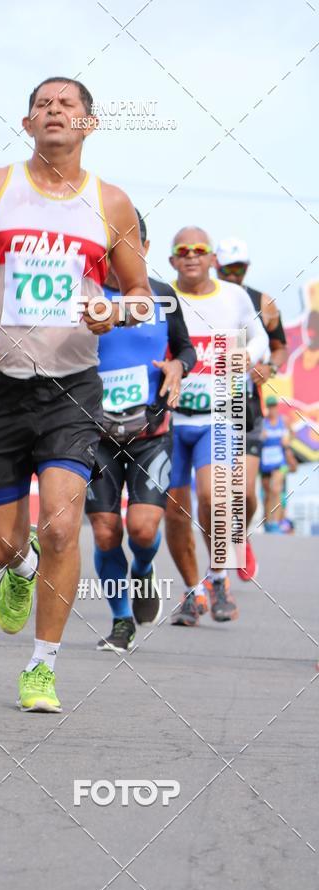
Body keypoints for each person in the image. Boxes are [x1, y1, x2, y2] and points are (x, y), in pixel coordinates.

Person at [0, 76, 151, 712]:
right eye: (43, 104)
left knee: (61, 524)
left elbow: (142, 295)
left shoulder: (113, 205)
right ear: (28, 125)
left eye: (68, 103)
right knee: (2, 545)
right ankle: (18, 576)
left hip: (70, 390)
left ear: (88, 124)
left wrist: (114, 310)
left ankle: (42, 667)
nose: (55, 110)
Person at [85, 210, 195, 651]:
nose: (118, 259)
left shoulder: (164, 296)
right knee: (106, 531)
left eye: (128, 249)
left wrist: (177, 365)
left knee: (144, 530)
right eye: (110, 250)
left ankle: (145, 570)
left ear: (145, 251)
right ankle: (121, 620)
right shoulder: (86, 295)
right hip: (95, 434)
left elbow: (186, 348)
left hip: (151, 431)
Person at [165, 227, 269, 627]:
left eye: (200, 250)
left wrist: (248, 354)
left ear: (212, 259)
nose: (191, 256)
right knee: (175, 513)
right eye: (183, 251)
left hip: (221, 413)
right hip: (172, 419)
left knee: (214, 497)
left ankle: (220, 578)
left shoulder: (234, 297)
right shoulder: (162, 297)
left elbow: (259, 334)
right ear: (173, 260)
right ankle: (194, 592)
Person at [215, 237, 288, 577]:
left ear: (246, 269)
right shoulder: (204, 299)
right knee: (211, 494)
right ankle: (212, 575)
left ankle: (240, 535)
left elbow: (279, 348)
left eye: (238, 269)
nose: (232, 275)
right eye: (226, 269)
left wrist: (269, 368)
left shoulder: (263, 302)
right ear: (216, 267)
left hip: (246, 408)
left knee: (244, 494)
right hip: (209, 407)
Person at [260, 394, 296, 532]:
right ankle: (268, 521)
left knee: (276, 489)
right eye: (270, 406)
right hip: (266, 462)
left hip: (280, 461)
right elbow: (256, 438)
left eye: (274, 406)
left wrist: (288, 441)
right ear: (268, 408)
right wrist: (261, 437)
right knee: (267, 494)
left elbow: (292, 434)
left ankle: (275, 521)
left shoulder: (284, 421)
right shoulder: (263, 422)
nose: (272, 409)